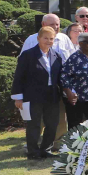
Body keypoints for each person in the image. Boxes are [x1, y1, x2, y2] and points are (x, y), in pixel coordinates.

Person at [11, 26, 64, 160]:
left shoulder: (56, 56)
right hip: (33, 96)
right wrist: (18, 97)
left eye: (51, 39)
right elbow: (19, 77)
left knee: (52, 125)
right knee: (34, 124)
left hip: (52, 96)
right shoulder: (28, 55)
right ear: (38, 38)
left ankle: (45, 149)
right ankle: (33, 152)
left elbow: (60, 78)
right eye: (45, 38)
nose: (48, 41)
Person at [61, 32, 88, 128]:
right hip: (78, 98)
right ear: (81, 43)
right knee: (76, 126)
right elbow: (64, 75)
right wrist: (69, 92)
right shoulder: (74, 58)